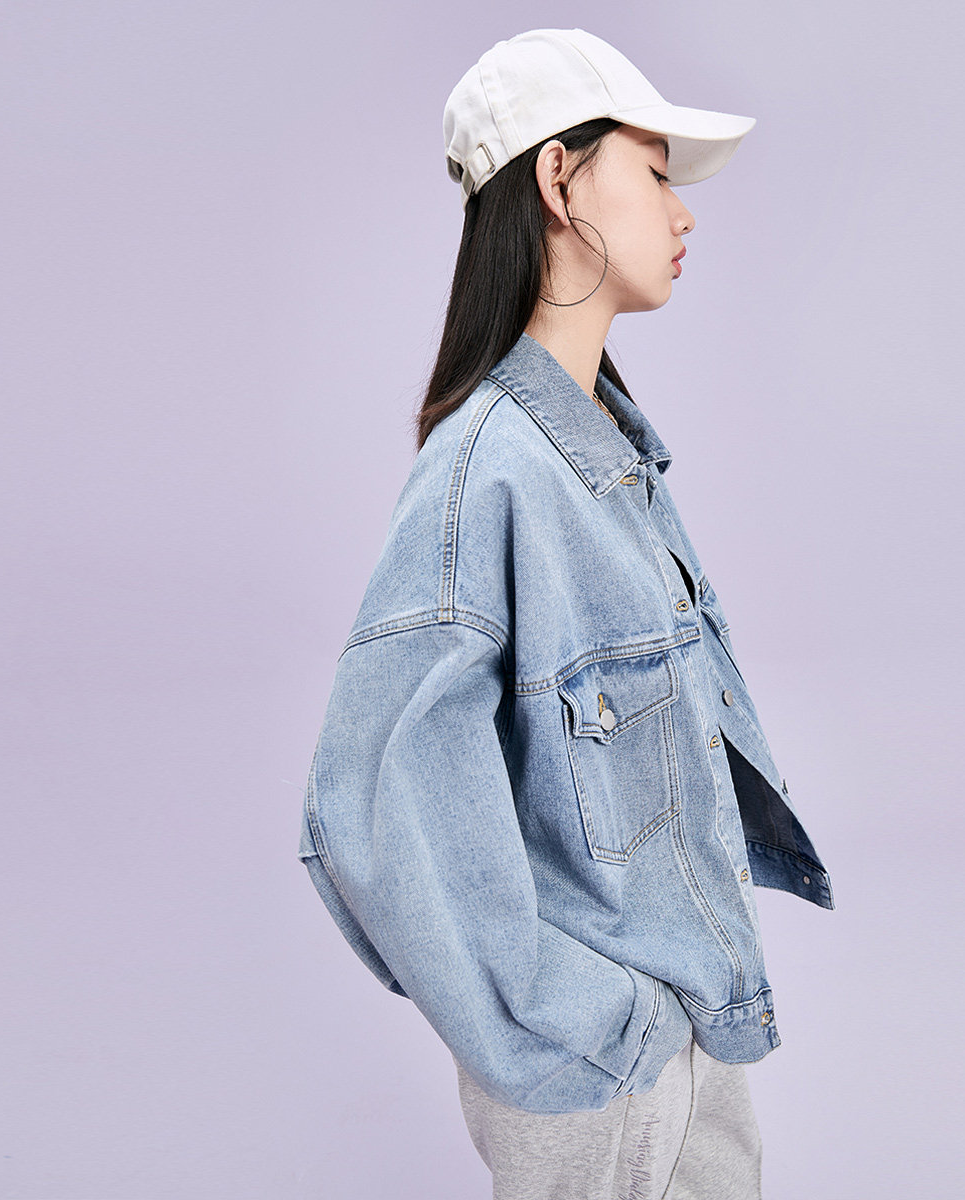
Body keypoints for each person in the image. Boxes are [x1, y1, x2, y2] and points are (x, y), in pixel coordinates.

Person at [297, 27, 834, 1199]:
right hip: (597, 1081)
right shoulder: (484, 476)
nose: (684, 216)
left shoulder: (613, 464)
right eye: (655, 173)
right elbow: (372, 807)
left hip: (696, 1042)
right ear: (559, 178)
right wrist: (571, 1015)